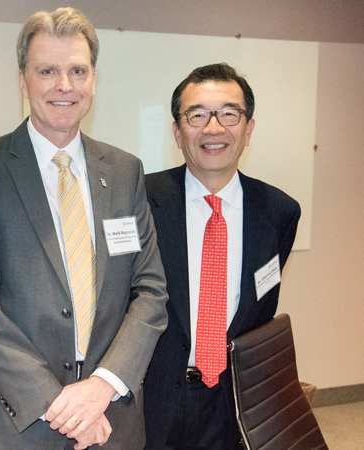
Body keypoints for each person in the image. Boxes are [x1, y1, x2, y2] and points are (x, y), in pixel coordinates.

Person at [0, 7, 168, 450]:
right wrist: (67, 408)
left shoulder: (125, 171)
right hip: (16, 424)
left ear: (93, 80)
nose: (64, 85)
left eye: (77, 71)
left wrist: (102, 387)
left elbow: (151, 291)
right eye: (47, 70)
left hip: (113, 420)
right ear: (22, 80)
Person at [142, 63, 301, 450]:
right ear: (177, 131)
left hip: (235, 401)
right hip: (155, 397)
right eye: (197, 114)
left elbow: (260, 306)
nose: (213, 128)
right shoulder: (141, 201)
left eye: (229, 113)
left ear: (248, 129)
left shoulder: (280, 212)